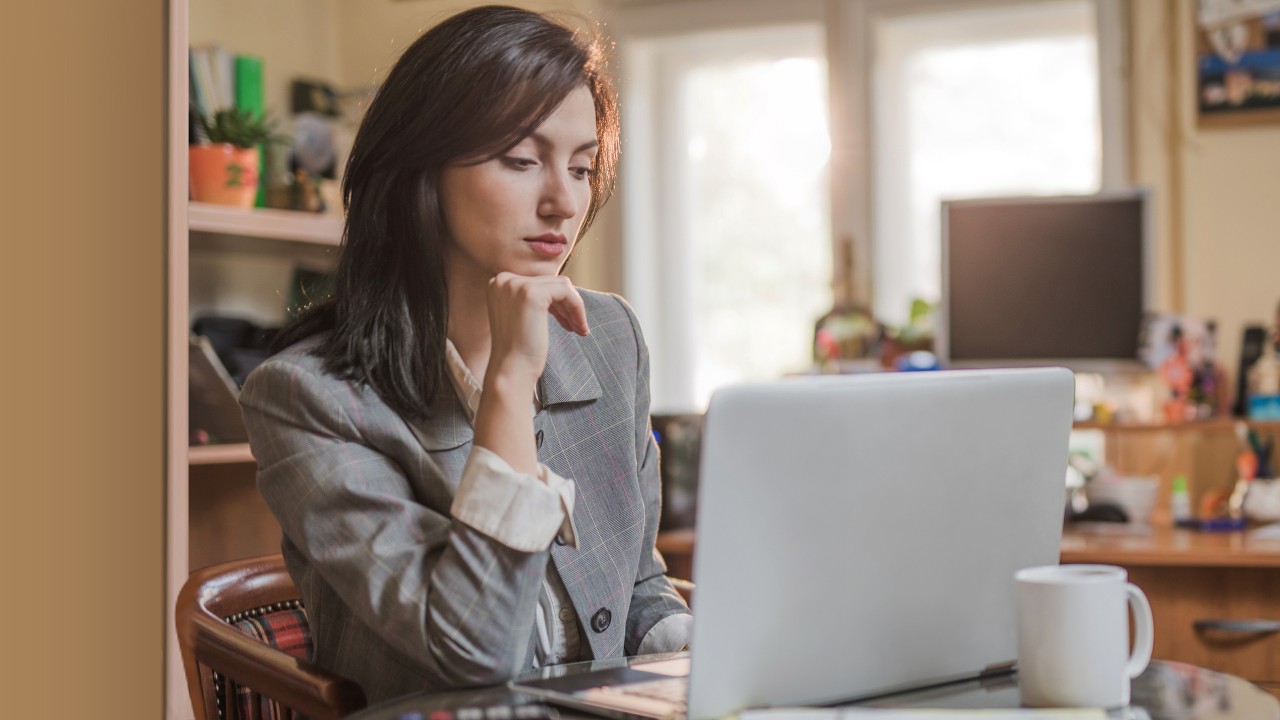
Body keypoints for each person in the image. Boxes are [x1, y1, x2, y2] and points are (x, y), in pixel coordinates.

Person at [239, 5, 691, 703]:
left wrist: (703, 649)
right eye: (520, 160)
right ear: (421, 169)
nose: (563, 202)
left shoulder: (608, 340)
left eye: (580, 167)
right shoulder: (306, 397)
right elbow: (474, 655)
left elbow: (637, 589)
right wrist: (511, 381)